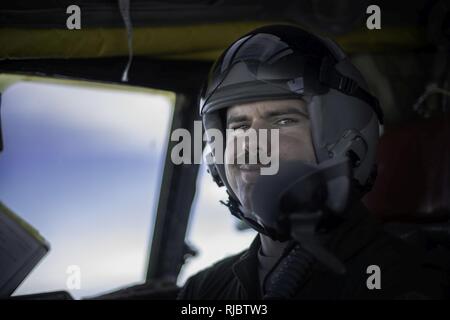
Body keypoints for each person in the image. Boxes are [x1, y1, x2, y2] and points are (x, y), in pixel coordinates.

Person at [177, 25, 447, 299]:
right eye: (238, 126)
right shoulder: (203, 291)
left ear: (344, 142)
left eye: (283, 121)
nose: (252, 143)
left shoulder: (406, 280)